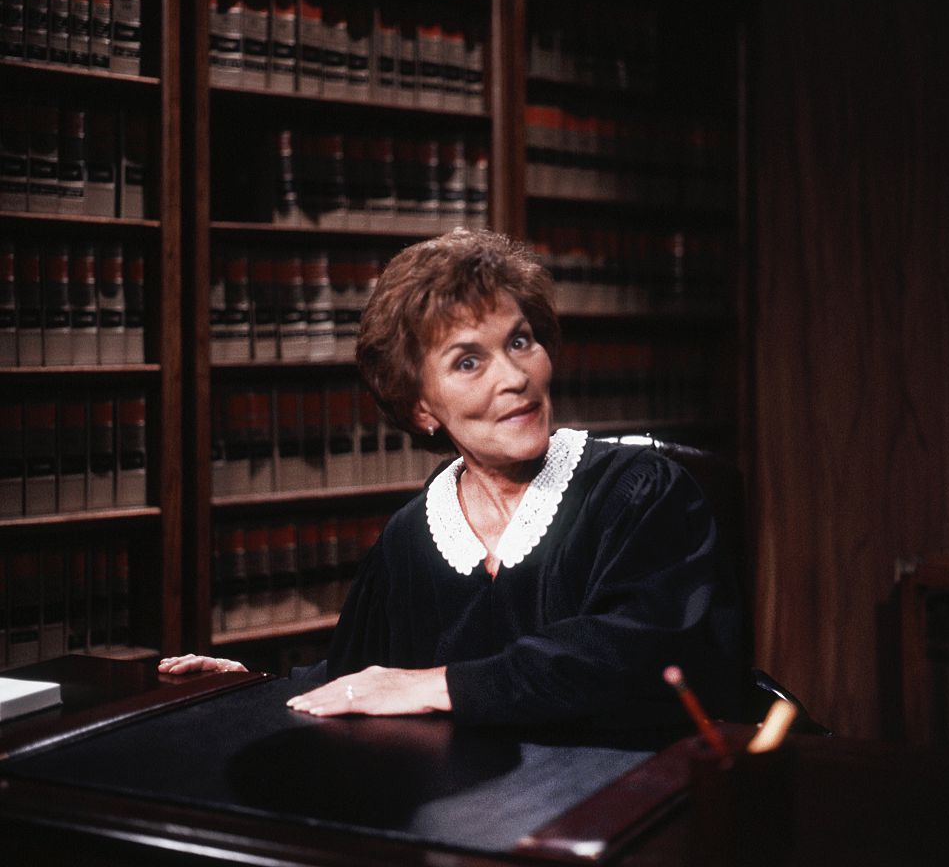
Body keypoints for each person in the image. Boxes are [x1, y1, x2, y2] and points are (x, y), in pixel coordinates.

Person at [160, 228, 742, 729]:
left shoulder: (640, 490)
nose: (514, 377)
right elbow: (365, 674)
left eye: (519, 341)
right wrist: (262, 685)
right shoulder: (411, 536)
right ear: (421, 408)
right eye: (469, 361)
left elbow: (640, 657)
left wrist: (439, 686)